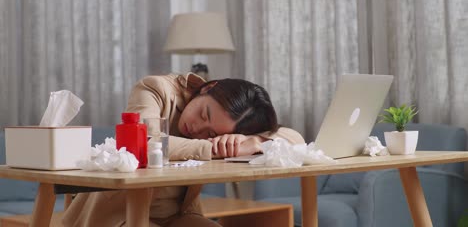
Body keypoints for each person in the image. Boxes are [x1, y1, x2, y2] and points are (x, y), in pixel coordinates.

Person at [62, 73, 305, 227]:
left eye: (212, 133)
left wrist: (256, 142)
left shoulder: (238, 133)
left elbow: (296, 140)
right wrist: (213, 147)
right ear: (209, 88)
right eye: (203, 114)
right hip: (116, 213)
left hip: (177, 216)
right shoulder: (155, 89)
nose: (197, 128)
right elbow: (146, 141)